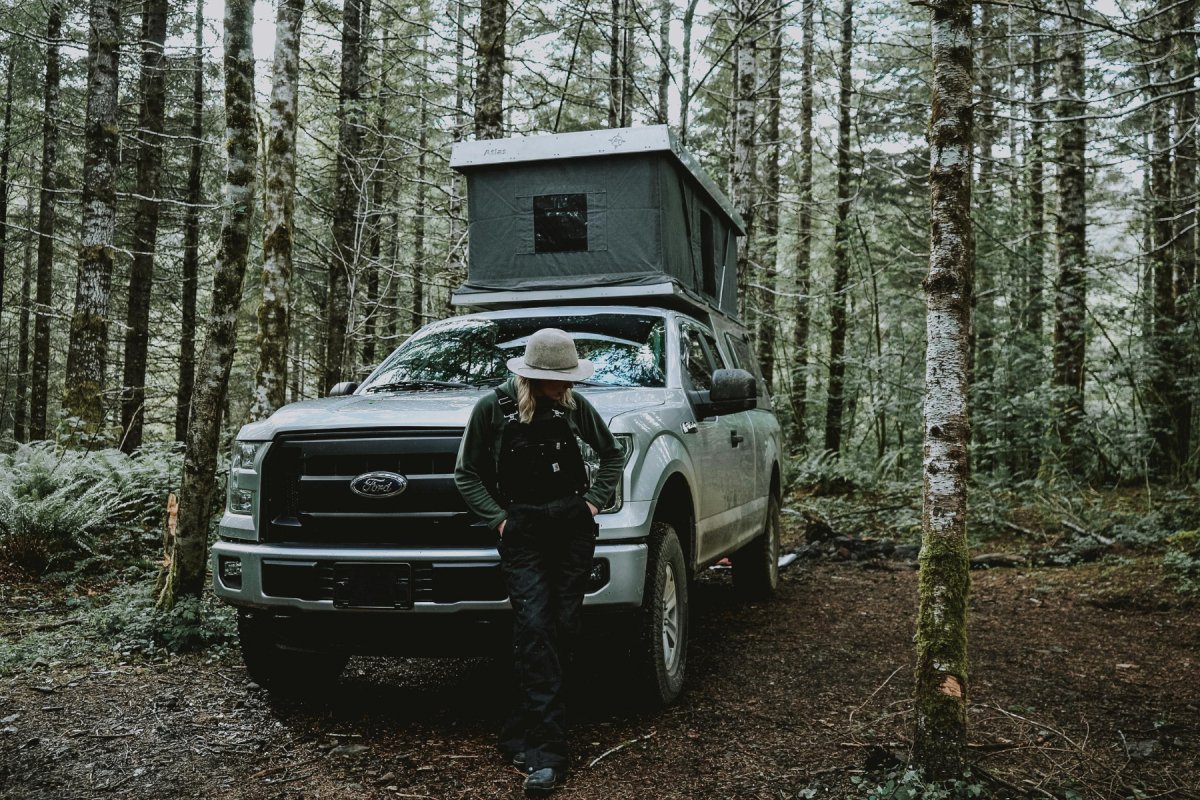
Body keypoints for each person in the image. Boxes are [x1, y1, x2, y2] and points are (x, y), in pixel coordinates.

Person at [455, 327, 624, 796]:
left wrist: (591, 502)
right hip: (523, 531)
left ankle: (520, 730)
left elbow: (612, 456)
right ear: (533, 377)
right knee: (535, 626)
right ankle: (548, 754)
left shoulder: (573, 407)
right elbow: (465, 473)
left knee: (562, 626)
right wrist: (499, 520)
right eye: (560, 380)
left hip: (571, 528)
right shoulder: (493, 408)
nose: (569, 387)